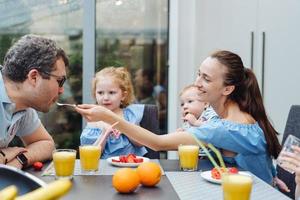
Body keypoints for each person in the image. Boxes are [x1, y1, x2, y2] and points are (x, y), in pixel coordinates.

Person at [75, 50, 281, 184]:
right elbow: (256, 158)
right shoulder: (224, 117)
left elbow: (157, 143)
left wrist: (109, 117)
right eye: (198, 74)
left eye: (206, 78)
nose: (197, 82)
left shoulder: (227, 127)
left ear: (227, 88)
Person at [0, 34, 69, 169]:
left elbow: (46, 144)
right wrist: (4, 155)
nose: (62, 90)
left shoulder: (23, 106)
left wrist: (20, 159)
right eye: (60, 81)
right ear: (34, 77)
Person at [80, 67, 147, 159]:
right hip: (103, 169)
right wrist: (104, 133)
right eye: (100, 93)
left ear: (123, 95)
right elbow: (92, 155)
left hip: (129, 167)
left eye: (111, 92)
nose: (106, 97)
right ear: (95, 94)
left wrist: (123, 128)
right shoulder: (94, 120)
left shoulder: (129, 115)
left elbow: (141, 143)